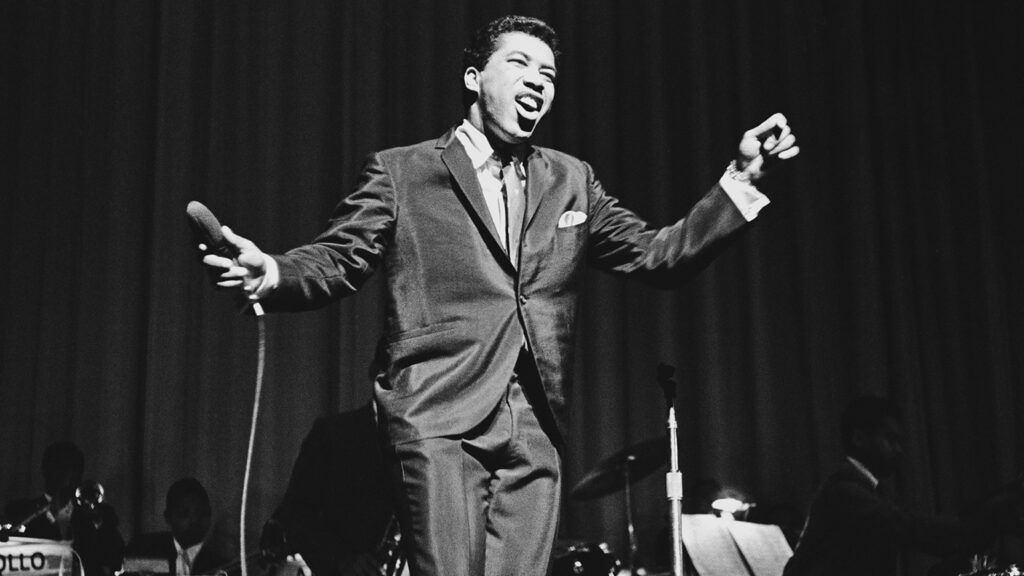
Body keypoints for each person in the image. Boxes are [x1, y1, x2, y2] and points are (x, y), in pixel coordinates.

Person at [200, 15, 799, 575]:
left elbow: (659, 256)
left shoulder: (571, 180)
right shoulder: (402, 172)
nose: (537, 82)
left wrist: (743, 181)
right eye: (519, 65)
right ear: (473, 78)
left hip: (535, 427)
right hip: (438, 416)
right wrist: (273, 273)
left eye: (549, 75)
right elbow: (340, 257)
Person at [782, 396, 1023, 576]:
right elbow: (911, 528)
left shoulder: (863, 489)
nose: (899, 450)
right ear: (858, 438)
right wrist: (992, 515)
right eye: (890, 439)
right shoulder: (845, 491)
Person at [260, 404, 400, 576]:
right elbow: (295, 512)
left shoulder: (431, 435)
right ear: (374, 375)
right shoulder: (333, 433)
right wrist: (343, 559)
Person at [3, 441, 125, 576]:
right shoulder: (20, 510)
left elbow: (117, 561)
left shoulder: (94, 515)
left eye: (75, 470)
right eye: (61, 468)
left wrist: (103, 527)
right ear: (45, 470)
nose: (69, 476)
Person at [125, 477, 235, 576]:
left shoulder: (221, 566)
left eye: (201, 513)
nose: (194, 520)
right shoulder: (144, 549)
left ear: (210, 515)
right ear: (168, 517)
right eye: (184, 514)